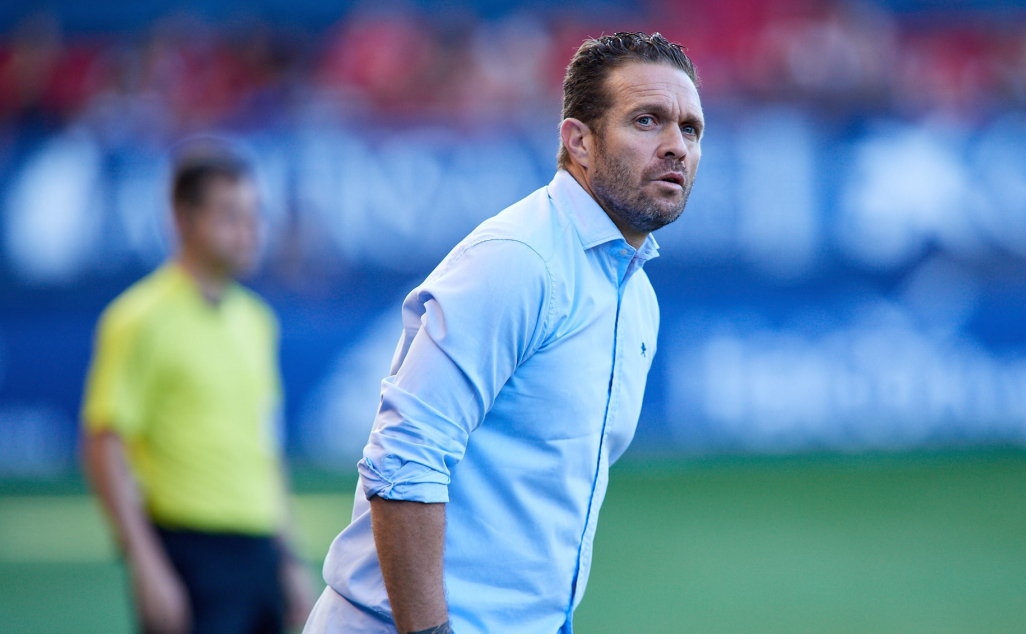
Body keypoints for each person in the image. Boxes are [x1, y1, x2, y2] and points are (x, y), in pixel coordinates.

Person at [304, 31, 704, 634]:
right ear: (579, 141)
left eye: (691, 129)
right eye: (647, 121)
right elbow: (403, 460)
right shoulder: (518, 260)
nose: (675, 146)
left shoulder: (634, 292)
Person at [82, 148, 317, 634]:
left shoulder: (256, 320)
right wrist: (145, 564)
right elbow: (104, 445)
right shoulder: (138, 319)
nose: (249, 230)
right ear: (183, 218)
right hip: (189, 552)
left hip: (258, 554)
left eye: (254, 215)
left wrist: (287, 558)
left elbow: (265, 447)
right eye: (230, 215)